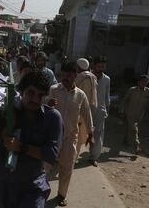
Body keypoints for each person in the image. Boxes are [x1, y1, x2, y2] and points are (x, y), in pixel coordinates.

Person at [0, 70, 63, 208]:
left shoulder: (53, 118)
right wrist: (4, 133)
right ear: (22, 91)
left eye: (41, 95)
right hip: (4, 186)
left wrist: (21, 147)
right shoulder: (8, 115)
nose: (35, 99)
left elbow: (52, 154)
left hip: (33, 187)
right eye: (31, 93)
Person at [47, 61, 94, 206]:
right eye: (63, 74)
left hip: (69, 137)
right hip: (51, 137)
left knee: (66, 168)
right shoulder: (54, 89)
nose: (65, 77)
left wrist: (91, 134)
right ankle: (40, 192)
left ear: (75, 75)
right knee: (45, 167)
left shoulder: (80, 95)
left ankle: (62, 195)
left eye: (69, 74)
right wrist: (48, 104)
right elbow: (43, 107)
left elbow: (87, 114)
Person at [119, 75, 149, 155]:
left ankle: (127, 140)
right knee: (134, 130)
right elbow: (125, 100)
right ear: (138, 82)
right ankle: (137, 147)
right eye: (142, 81)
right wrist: (121, 110)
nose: (144, 83)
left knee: (131, 128)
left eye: (145, 82)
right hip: (129, 113)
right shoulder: (132, 90)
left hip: (139, 114)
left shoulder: (148, 91)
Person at [89, 56, 111, 166]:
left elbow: (107, 96)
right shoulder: (87, 76)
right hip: (87, 109)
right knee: (81, 132)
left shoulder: (107, 79)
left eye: (103, 66)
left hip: (100, 110)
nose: (101, 68)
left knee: (98, 135)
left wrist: (107, 109)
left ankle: (93, 157)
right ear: (94, 65)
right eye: (99, 66)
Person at [75, 58, 98, 159]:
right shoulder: (88, 77)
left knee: (78, 138)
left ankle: (72, 159)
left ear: (78, 67)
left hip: (80, 111)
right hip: (80, 110)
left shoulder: (85, 79)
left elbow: (85, 98)